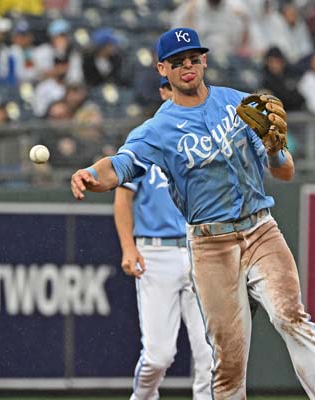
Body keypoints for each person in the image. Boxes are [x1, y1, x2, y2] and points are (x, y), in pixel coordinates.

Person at [70, 27, 315, 399]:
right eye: (178, 62)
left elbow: (284, 172)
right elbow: (120, 167)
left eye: (194, 58)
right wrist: (90, 175)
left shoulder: (240, 105)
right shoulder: (157, 129)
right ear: (162, 70)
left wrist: (274, 149)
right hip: (210, 245)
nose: (188, 66)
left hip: (259, 229)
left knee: (290, 316)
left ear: (204, 61)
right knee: (229, 359)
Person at [113, 77, 213, 400]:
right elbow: (123, 196)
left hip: (199, 249)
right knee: (159, 356)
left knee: (210, 354)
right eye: (173, 89)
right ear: (163, 91)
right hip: (156, 253)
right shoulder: (146, 138)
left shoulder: (201, 139)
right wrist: (128, 247)